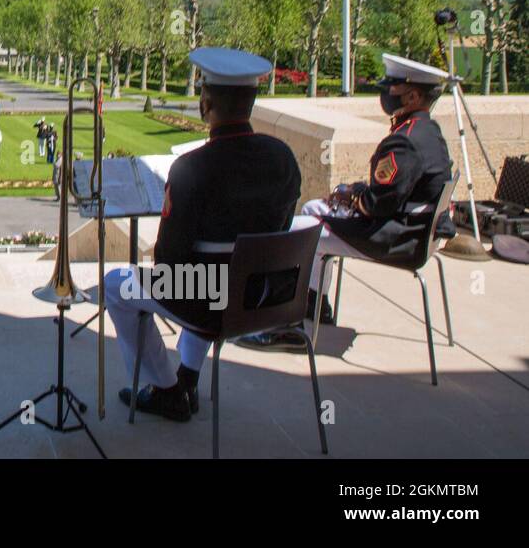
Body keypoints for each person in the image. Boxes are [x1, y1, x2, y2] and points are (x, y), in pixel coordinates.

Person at [101, 48, 300, 422]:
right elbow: (283, 228)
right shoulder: (282, 157)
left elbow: (169, 261)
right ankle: (187, 376)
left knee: (118, 285)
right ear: (252, 102)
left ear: (206, 102)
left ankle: (166, 390)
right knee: (211, 272)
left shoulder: (193, 167)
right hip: (264, 295)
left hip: (212, 300)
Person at [238, 53, 455, 352]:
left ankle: (284, 326)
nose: (385, 94)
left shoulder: (404, 140)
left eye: (392, 89)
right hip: (411, 231)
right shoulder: (428, 132)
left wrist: (353, 197)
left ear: (414, 96)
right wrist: (355, 190)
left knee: (297, 232)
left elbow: (377, 204)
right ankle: (315, 303)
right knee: (314, 209)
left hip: (395, 238)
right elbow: (398, 191)